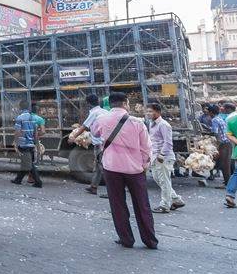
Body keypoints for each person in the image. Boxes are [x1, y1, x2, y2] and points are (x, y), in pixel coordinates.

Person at [92, 91, 157, 249]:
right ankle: (150, 240)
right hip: (135, 169)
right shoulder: (137, 122)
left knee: (118, 204)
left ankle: (126, 239)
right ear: (126, 103)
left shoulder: (101, 119)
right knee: (142, 204)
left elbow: (95, 134)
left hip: (111, 168)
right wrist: (144, 164)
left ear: (110, 104)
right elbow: (147, 147)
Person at [145, 102, 184, 214]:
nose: (148, 113)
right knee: (161, 181)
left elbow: (168, 142)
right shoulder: (151, 124)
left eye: (151, 111)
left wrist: (161, 155)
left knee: (164, 181)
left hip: (163, 157)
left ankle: (165, 205)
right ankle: (177, 200)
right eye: (147, 111)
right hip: (155, 156)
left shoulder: (164, 125)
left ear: (158, 112)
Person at [69, 94, 109, 195]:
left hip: (99, 145)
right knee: (99, 167)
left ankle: (112, 190)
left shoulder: (94, 113)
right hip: (106, 143)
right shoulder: (104, 111)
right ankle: (93, 187)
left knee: (103, 167)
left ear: (88, 104)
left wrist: (73, 137)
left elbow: (84, 126)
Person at [12, 105, 44, 188]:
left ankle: (38, 182)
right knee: (25, 162)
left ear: (20, 108)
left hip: (23, 144)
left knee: (29, 164)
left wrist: (15, 142)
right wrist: (37, 145)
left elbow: (17, 132)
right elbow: (36, 133)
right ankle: (18, 180)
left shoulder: (19, 118)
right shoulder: (33, 118)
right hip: (31, 144)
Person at [208, 104, 232, 187]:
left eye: (209, 112)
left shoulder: (214, 120)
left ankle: (228, 183)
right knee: (227, 163)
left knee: (224, 164)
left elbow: (215, 132)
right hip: (228, 142)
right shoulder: (220, 118)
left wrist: (217, 144)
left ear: (211, 112)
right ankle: (229, 182)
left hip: (223, 143)